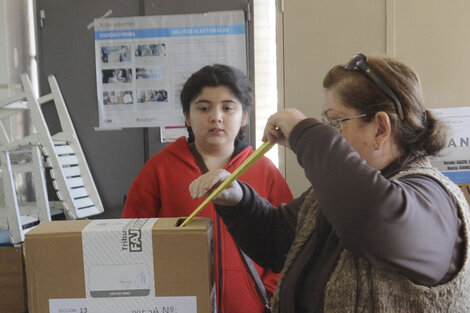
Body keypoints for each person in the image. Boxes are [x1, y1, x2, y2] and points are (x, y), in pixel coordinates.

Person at [189, 54, 470, 312]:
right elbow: (277, 242)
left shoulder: (434, 199)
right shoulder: (337, 192)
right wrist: (238, 199)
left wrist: (305, 133)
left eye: (335, 122)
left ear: (381, 129)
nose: (329, 134)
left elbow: (371, 222)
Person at [123, 64, 293, 313]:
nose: (216, 117)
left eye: (228, 107)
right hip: (176, 304)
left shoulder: (265, 170)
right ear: (187, 117)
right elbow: (130, 238)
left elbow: (290, 242)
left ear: (244, 116)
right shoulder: (158, 169)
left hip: (251, 307)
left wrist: (270, 292)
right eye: (203, 108)